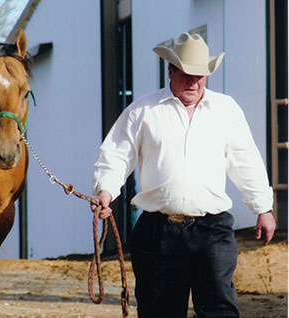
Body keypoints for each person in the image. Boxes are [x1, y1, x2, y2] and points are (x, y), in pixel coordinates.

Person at [91, 32, 276, 318]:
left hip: (213, 231)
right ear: (171, 71)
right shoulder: (143, 110)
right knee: (159, 312)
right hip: (158, 234)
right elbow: (116, 154)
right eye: (186, 74)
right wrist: (106, 191)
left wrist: (263, 208)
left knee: (220, 311)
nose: (193, 81)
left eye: (200, 75)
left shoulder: (226, 110)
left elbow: (246, 161)